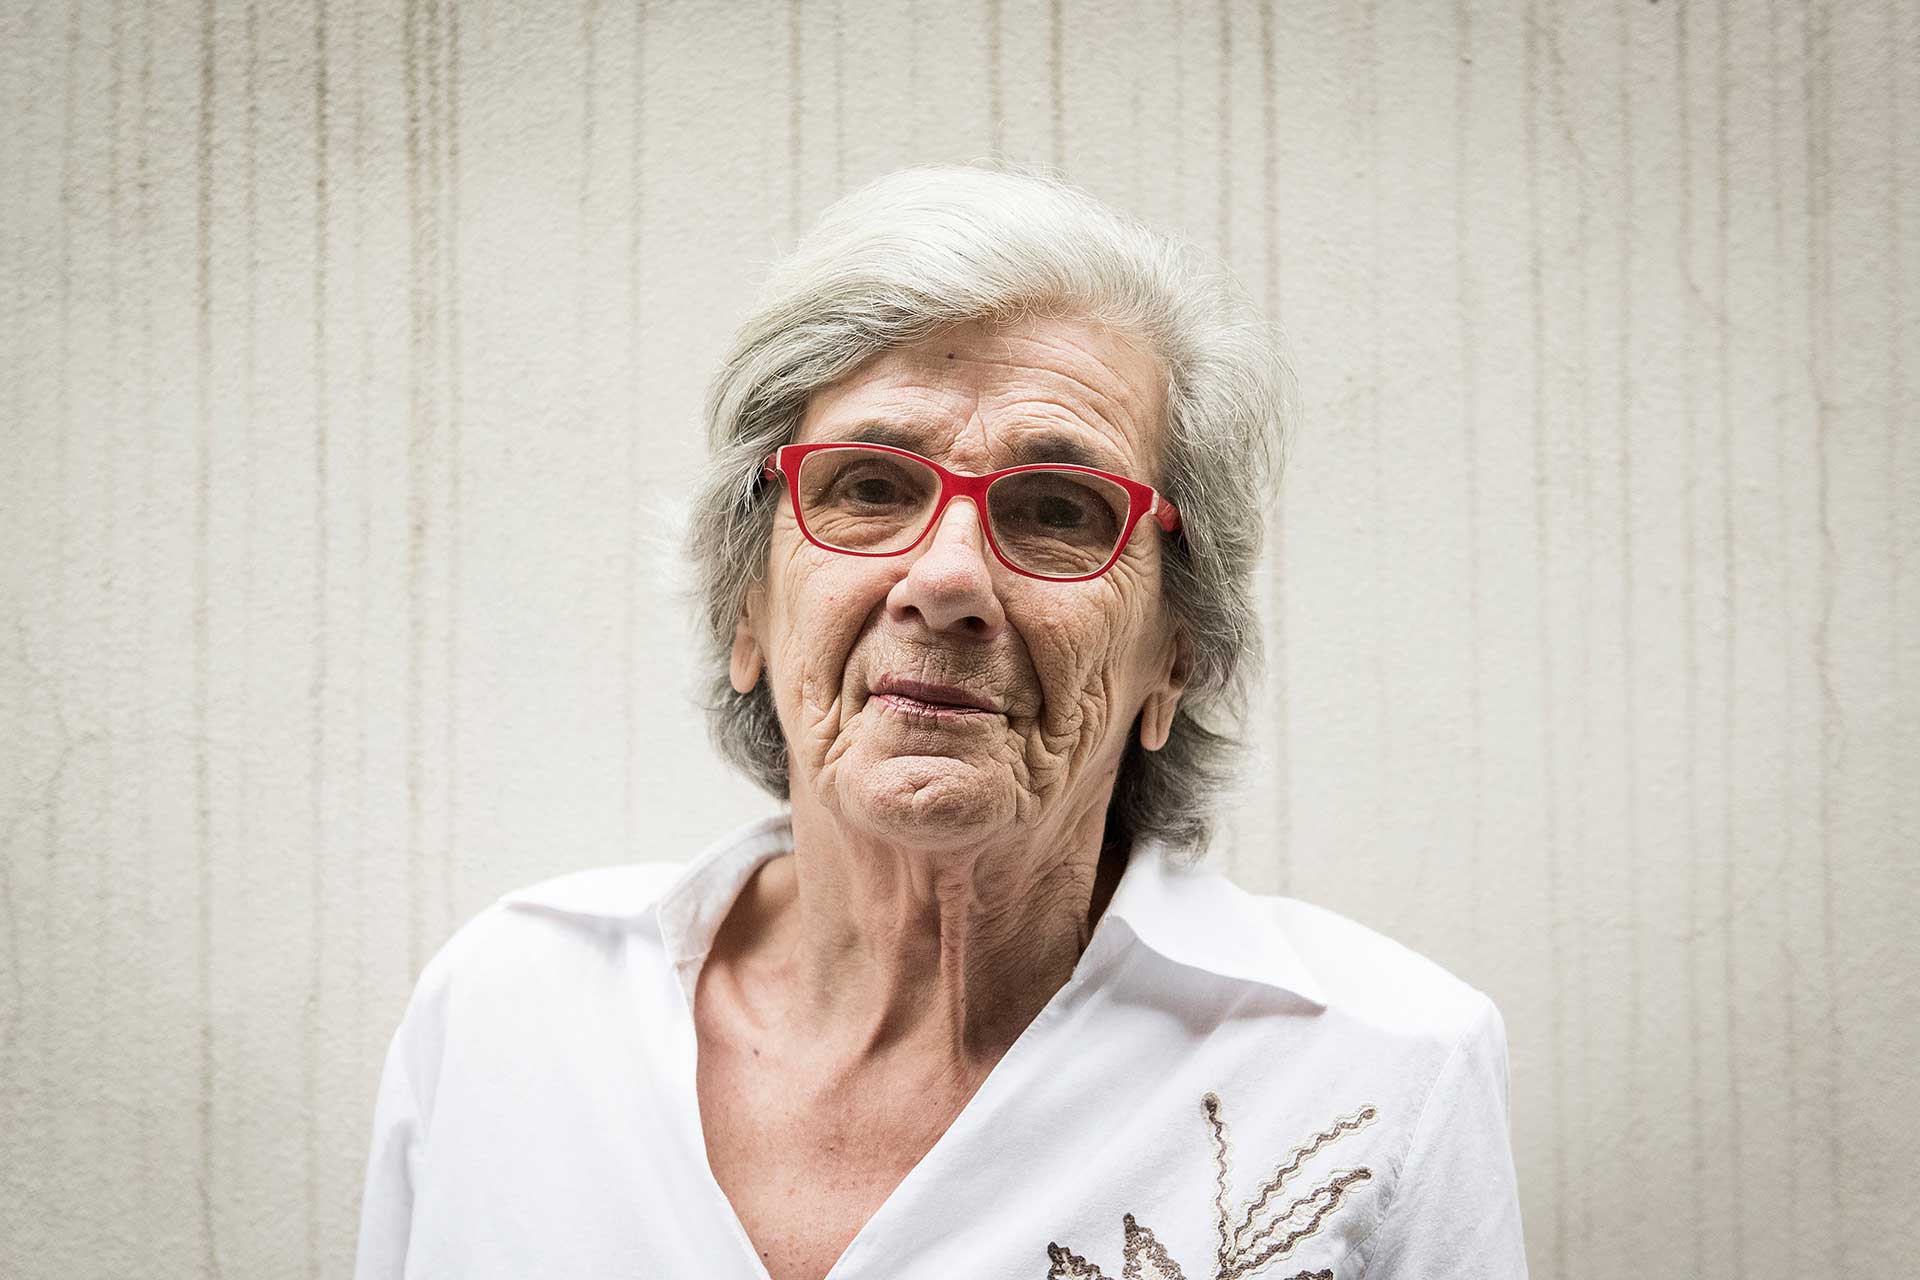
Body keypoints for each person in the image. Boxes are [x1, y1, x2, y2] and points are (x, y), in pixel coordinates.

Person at [352, 163, 1527, 1280]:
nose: (947, 576)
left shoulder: (1381, 1065)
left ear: (1177, 655)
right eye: (869, 485)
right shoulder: (510, 1005)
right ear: (745, 604)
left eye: (1060, 507)